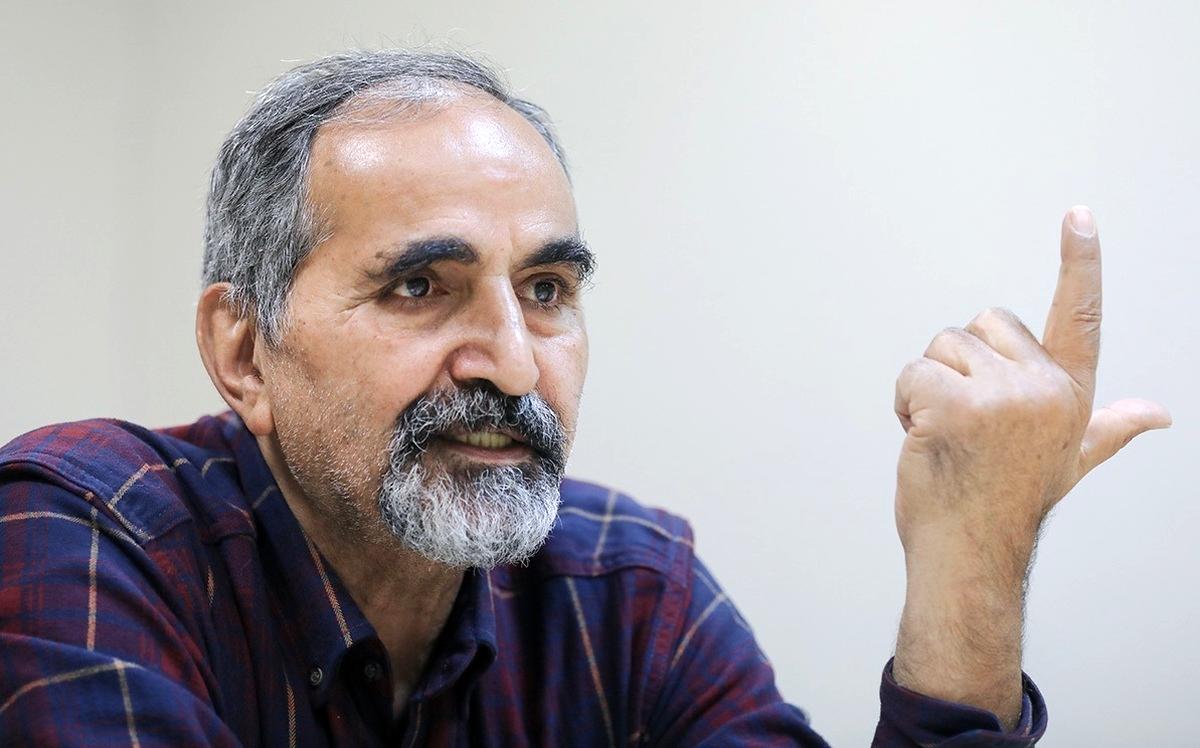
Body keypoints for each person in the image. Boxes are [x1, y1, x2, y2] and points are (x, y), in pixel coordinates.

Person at [0, 50, 1170, 747]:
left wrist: (971, 563)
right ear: (245, 352)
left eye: (547, 289)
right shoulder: (80, 530)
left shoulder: (628, 587)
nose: (514, 365)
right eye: (421, 286)